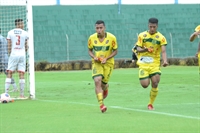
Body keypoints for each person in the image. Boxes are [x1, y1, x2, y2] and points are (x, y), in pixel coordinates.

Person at [136, 18, 168, 110]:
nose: (152, 28)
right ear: (148, 26)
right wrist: (145, 49)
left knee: (155, 83)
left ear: (157, 26)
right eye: (150, 26)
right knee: (145, 85)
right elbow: (137, 48)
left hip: (154, 63)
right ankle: (148, 76)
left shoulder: (161, 37)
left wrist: (165, 61)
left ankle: (150, 104)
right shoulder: (142, 35)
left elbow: (164, 51)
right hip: (143, 63)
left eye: (154, 27)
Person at [88, 20, 118, 113]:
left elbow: (115, 51)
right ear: (95, 28)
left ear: (104, 28)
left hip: (108, 64)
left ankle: (106, 87)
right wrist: (94, 57)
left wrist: (107, 58)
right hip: (97, 63)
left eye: (101, 28)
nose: (99, 30)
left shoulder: (112, 38)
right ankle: (101, 105)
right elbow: (89, 50)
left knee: (103, 85)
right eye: (97, 28)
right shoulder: (91, 38)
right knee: (97, 81)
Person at [5, 19, 29, 98]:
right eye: (22, 24)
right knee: (21, 73)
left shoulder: (10, 32)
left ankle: (6, 94)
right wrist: (24, 51)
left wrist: (10, 53)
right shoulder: (25, 33)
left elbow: (9, 45)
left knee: (10, 73)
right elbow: (27, 46)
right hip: (22, 55)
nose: (23, 25)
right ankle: (21, 95)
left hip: (13, 54)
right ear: (19, 24)